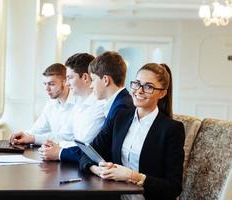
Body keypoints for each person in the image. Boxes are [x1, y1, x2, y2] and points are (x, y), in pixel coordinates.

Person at [79, 63, 185, 200]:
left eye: (148, 87)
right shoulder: (120, 117)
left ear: (162, 93)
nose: (139, 91)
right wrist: (97, 169)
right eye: (137, 83)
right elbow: (87, 153)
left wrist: (132, 176)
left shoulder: (172, 129)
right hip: (115, 195)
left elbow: (173, 188)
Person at [59, 51, 135, 163]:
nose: (91, 85)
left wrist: (60, 153)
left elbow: (97, 149)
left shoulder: (121, 107)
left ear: (105, 80)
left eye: (93, 80)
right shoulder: (117, 103)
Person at [39, 53, 106, 161]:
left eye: (69, 78)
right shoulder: (79, 103)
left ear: (84, 77)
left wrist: (58, 149)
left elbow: (84, 146)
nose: (67, 83)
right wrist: (55, 145)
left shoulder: (99, 105)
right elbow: (71, 138)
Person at [9, 63, 76, 145]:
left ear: (65, 82)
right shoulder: (51, 104)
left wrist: (33, 139)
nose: (47, 89)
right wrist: (22, 135)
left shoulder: (78, 104)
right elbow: (38, 129)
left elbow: (64, 137)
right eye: (45, 84)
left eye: (51, 84)